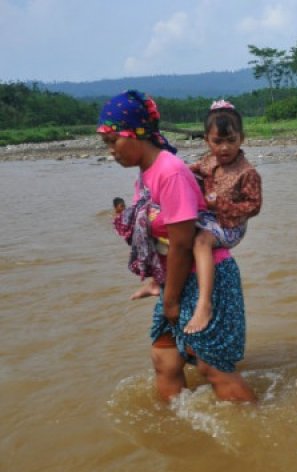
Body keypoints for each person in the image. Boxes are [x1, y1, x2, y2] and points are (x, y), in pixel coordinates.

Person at [98, 90, 255, 402]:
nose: (111, 151)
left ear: (136, 133)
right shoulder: (147, 173)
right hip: (177, 278)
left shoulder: (169, 172)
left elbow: (183, 244)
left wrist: (170, 301)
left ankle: (256, 433)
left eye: (114, 140)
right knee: (164, 358)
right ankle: (178, 432)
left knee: (212, 367)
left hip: (204, 274)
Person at [184, 100, 262, 334]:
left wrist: (221, 203)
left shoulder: (247, 172)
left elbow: (254, 206)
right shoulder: (208, 160)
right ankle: (157, 280)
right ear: (207, 140)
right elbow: (188, 171)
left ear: (242, 139)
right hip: (209, 216)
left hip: (230, 225)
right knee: (171, 226)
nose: (225, 148)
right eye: (218, 142)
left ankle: (204, 304)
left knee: (201, 241)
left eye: (231, 141)